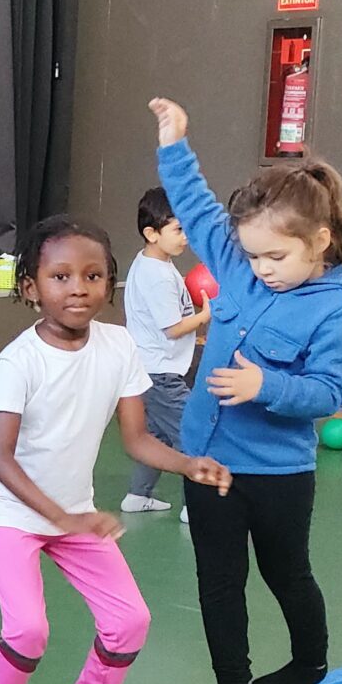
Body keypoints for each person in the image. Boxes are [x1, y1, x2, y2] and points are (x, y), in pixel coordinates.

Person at [0, 216, 232, 684]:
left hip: (74, 513)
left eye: (92, 276)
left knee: (129, 621)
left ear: (109, 284)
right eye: (60, 276)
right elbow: (1, 459)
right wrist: (64, 517)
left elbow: (136, 439)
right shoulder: (19, 361)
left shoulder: (118, 347)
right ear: (30, 288)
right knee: (28, 629)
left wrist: (188, 463)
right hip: (12, 513)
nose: (78, 288)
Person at [147, 97, 342, 684]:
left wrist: (264, 385)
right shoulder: (240, 269)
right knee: (218, 582)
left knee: (286, 572)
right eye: (252, 257)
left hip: (277, 475)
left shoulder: (336, 308)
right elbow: (195, 206)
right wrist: (174, 144)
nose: (262, 270)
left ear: (319, 241)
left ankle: (310, 662)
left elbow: (327, 392)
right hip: (207, 463)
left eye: (277, 257)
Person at [121, 186, 211, 517]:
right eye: (178, 229)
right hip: (159, 374)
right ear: (152, 233)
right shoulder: (158, 276)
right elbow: (172, 328)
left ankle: (138, 495)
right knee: (194, 434)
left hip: (150, 369)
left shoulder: (153, 262)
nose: (186, 237)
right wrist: (205, 316)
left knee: (157, 438)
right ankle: (195, 508)